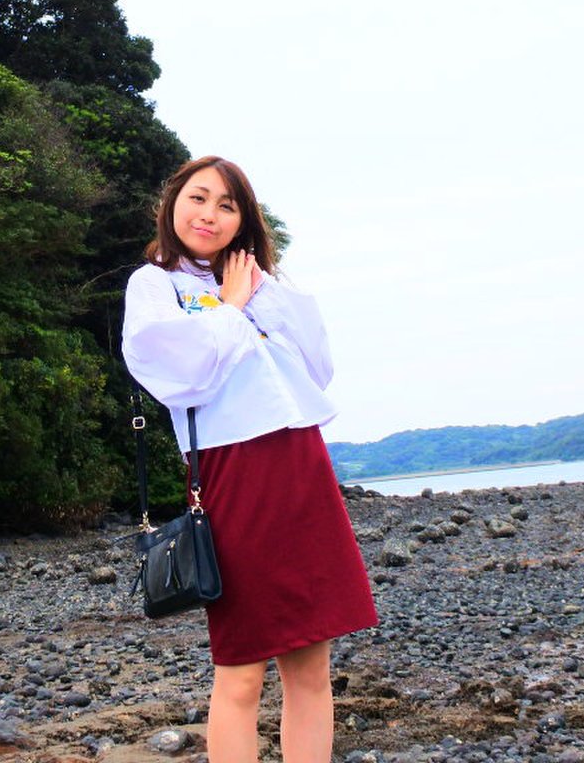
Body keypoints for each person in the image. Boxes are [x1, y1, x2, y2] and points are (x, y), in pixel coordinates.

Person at [122, 155, 377, 763]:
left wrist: (257, 292)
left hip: (300, 459)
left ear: (243, 221)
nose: (209, 215)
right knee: (240, 668)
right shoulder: (154, 284)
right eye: (198, 198)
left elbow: (317, 367)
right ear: (173, 202)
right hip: (231, 470)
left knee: (311, 662)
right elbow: (182, 375)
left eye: (227, 206)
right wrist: (230, 307)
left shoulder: (257, 281)